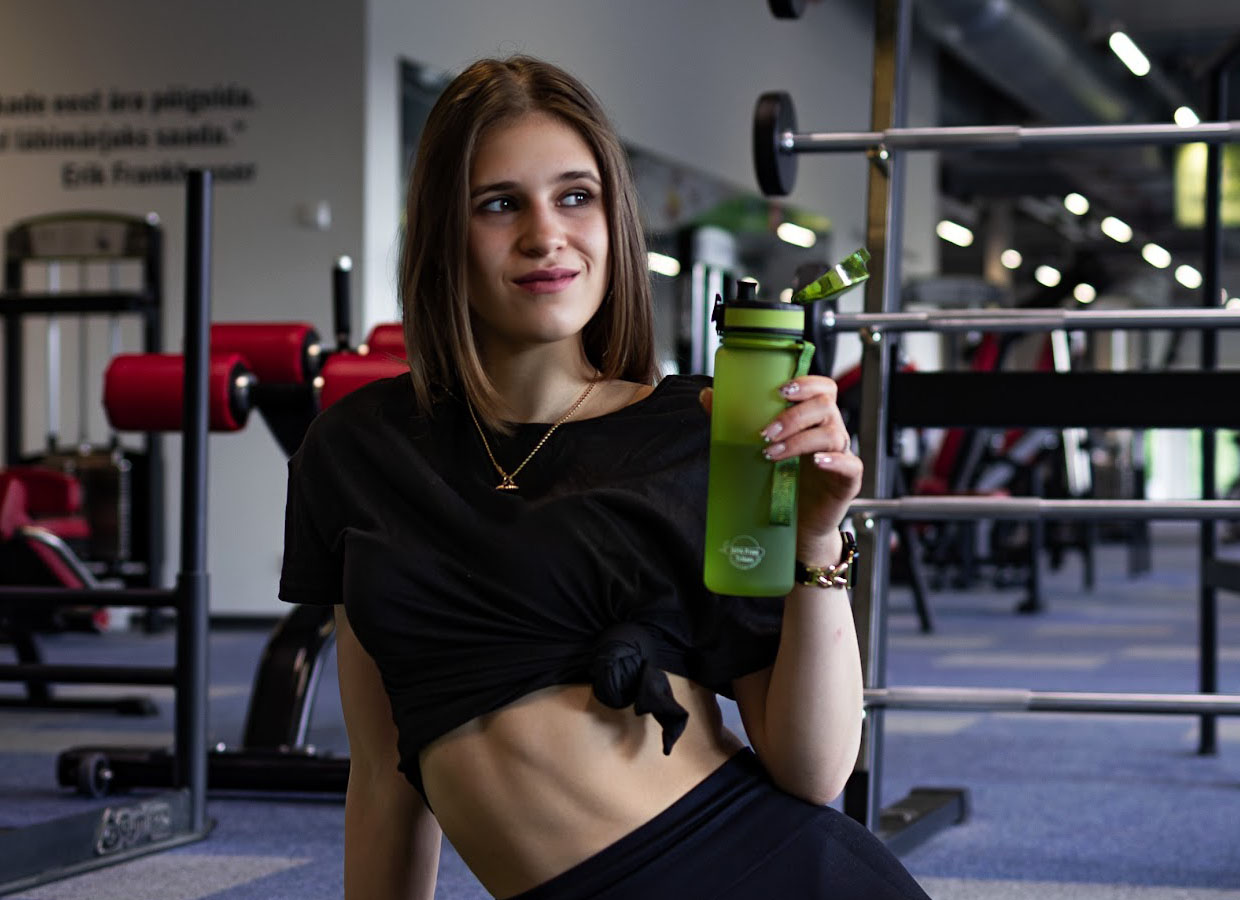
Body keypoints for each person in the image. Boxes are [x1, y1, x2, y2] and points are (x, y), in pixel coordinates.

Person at [280, 55, 931, 900]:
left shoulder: (700, 431)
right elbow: (381, 777)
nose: (544, 234)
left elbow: (812, 770)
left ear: (613, 219)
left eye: (575, 196)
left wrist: (814, 540)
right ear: (444, 230)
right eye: (499, 203)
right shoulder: (356, 450)